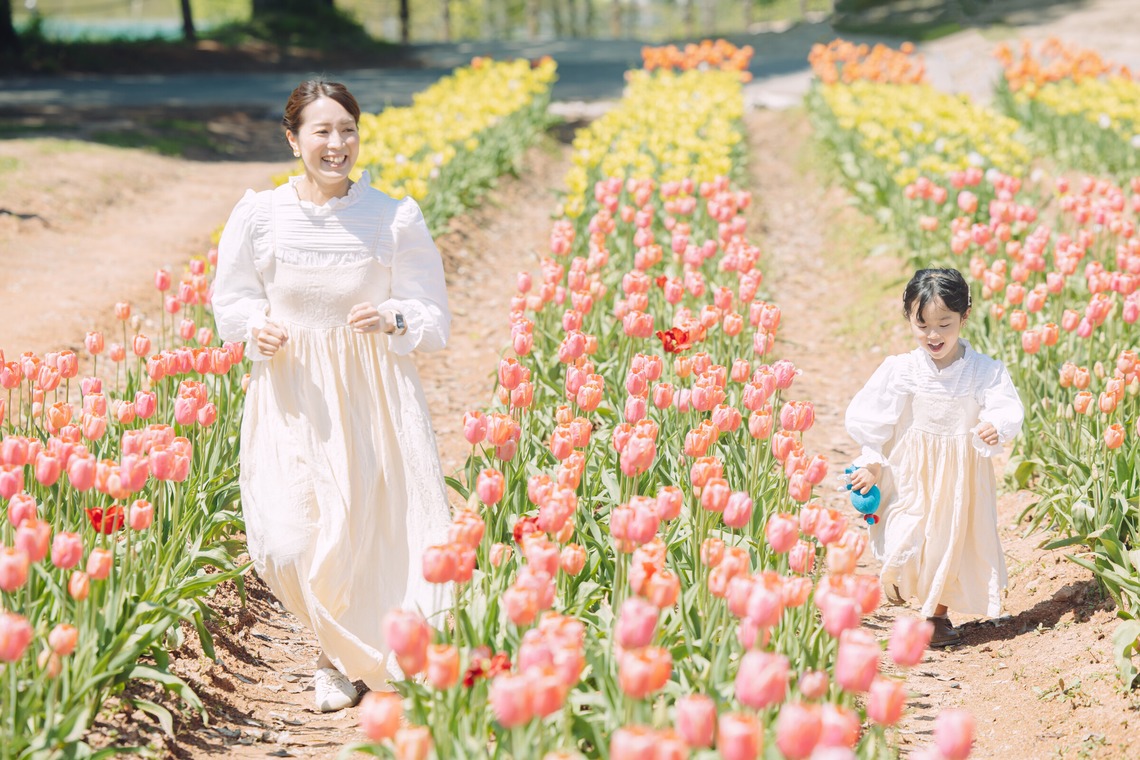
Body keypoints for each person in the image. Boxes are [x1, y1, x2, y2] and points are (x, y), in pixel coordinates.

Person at [212, 80, 453, 711]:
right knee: (290, 538)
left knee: (359, 532)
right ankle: (337, 643)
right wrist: (252, 326)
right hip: (291, 393)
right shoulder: (260, 216)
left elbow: (432, 312)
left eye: (346, 129)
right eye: (321, 131)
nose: (337, 144)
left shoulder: (392, 216)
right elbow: (231, 299)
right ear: (293, 139)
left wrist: (394, 317)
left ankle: (336, 660)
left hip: (370, 394)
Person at [845, 268, 1023, 647]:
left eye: (944, 323)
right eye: (922, 324)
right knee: (906, 532)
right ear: (908, 317)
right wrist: (873, 459)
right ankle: (900, 575)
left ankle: (936, 615)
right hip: (912, 470)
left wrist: (995, 424)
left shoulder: (983, 371)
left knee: (949, 540)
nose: (933, 335)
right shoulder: (903, 370)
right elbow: (875, 416)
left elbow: (1005, 406)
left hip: (959, 477)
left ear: (965, 316)